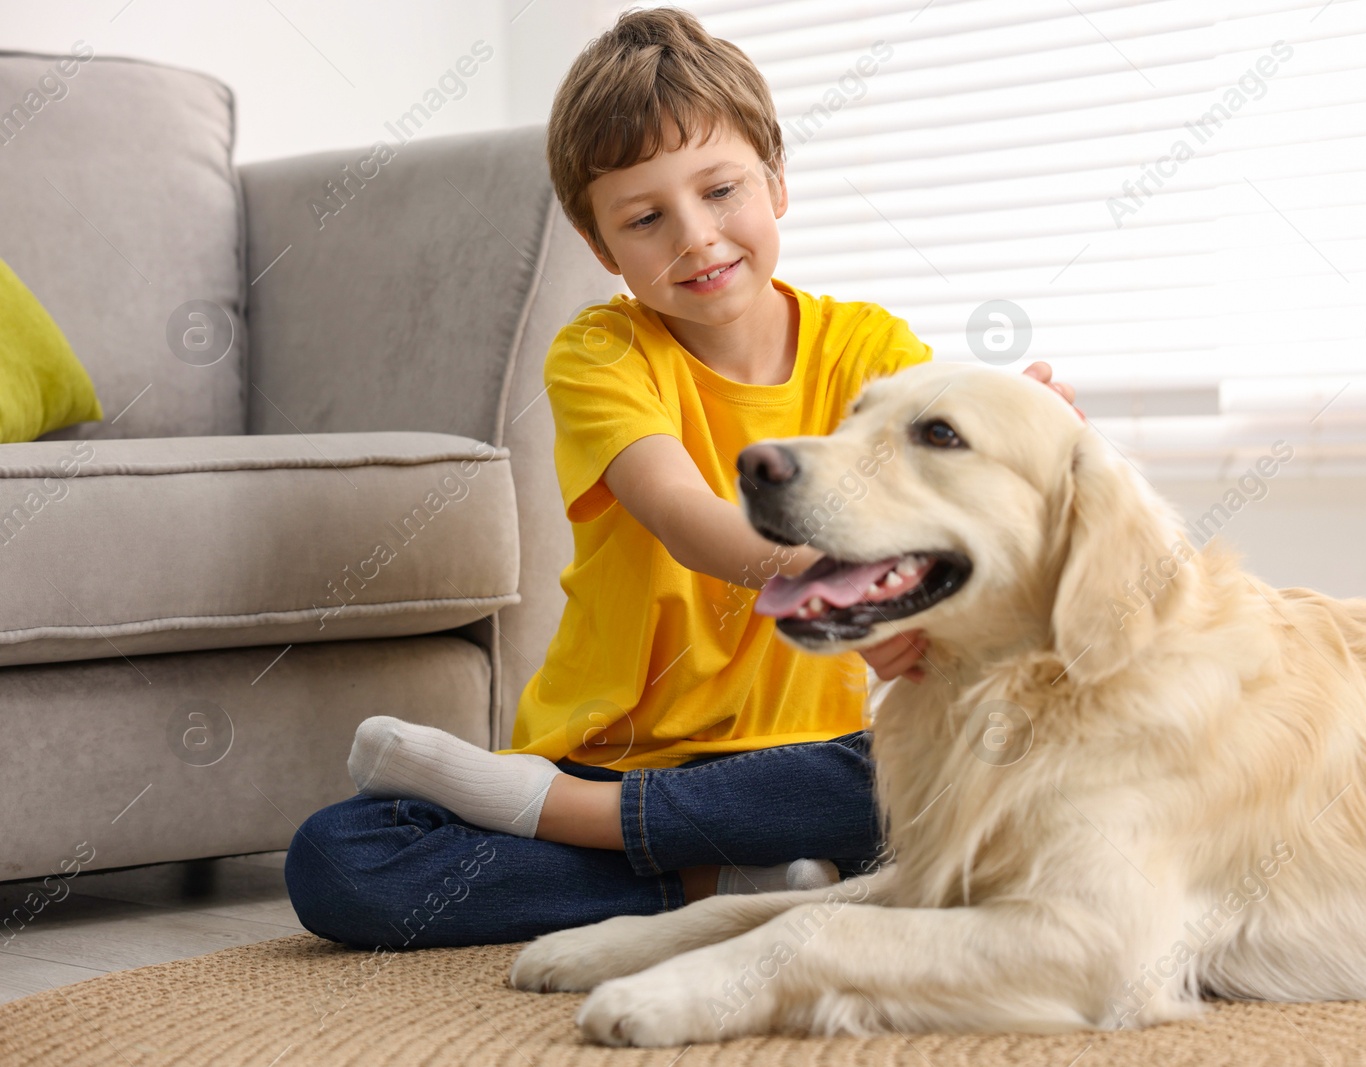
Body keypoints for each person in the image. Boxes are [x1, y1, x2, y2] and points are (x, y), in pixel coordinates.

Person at [283, 5, 1075, 951]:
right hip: (609, 757)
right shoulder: (600, 354)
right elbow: (691, 520)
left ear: (777, 181)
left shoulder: (871, 350)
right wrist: (844, 585)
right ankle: (709, 873)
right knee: (340, 861)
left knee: (969, 771)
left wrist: (1026, 435)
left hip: (805, 765)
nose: (696, 237)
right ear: (602, 249)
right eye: (647, 217)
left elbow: (941, 503)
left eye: (721, 189)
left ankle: (618, 847)